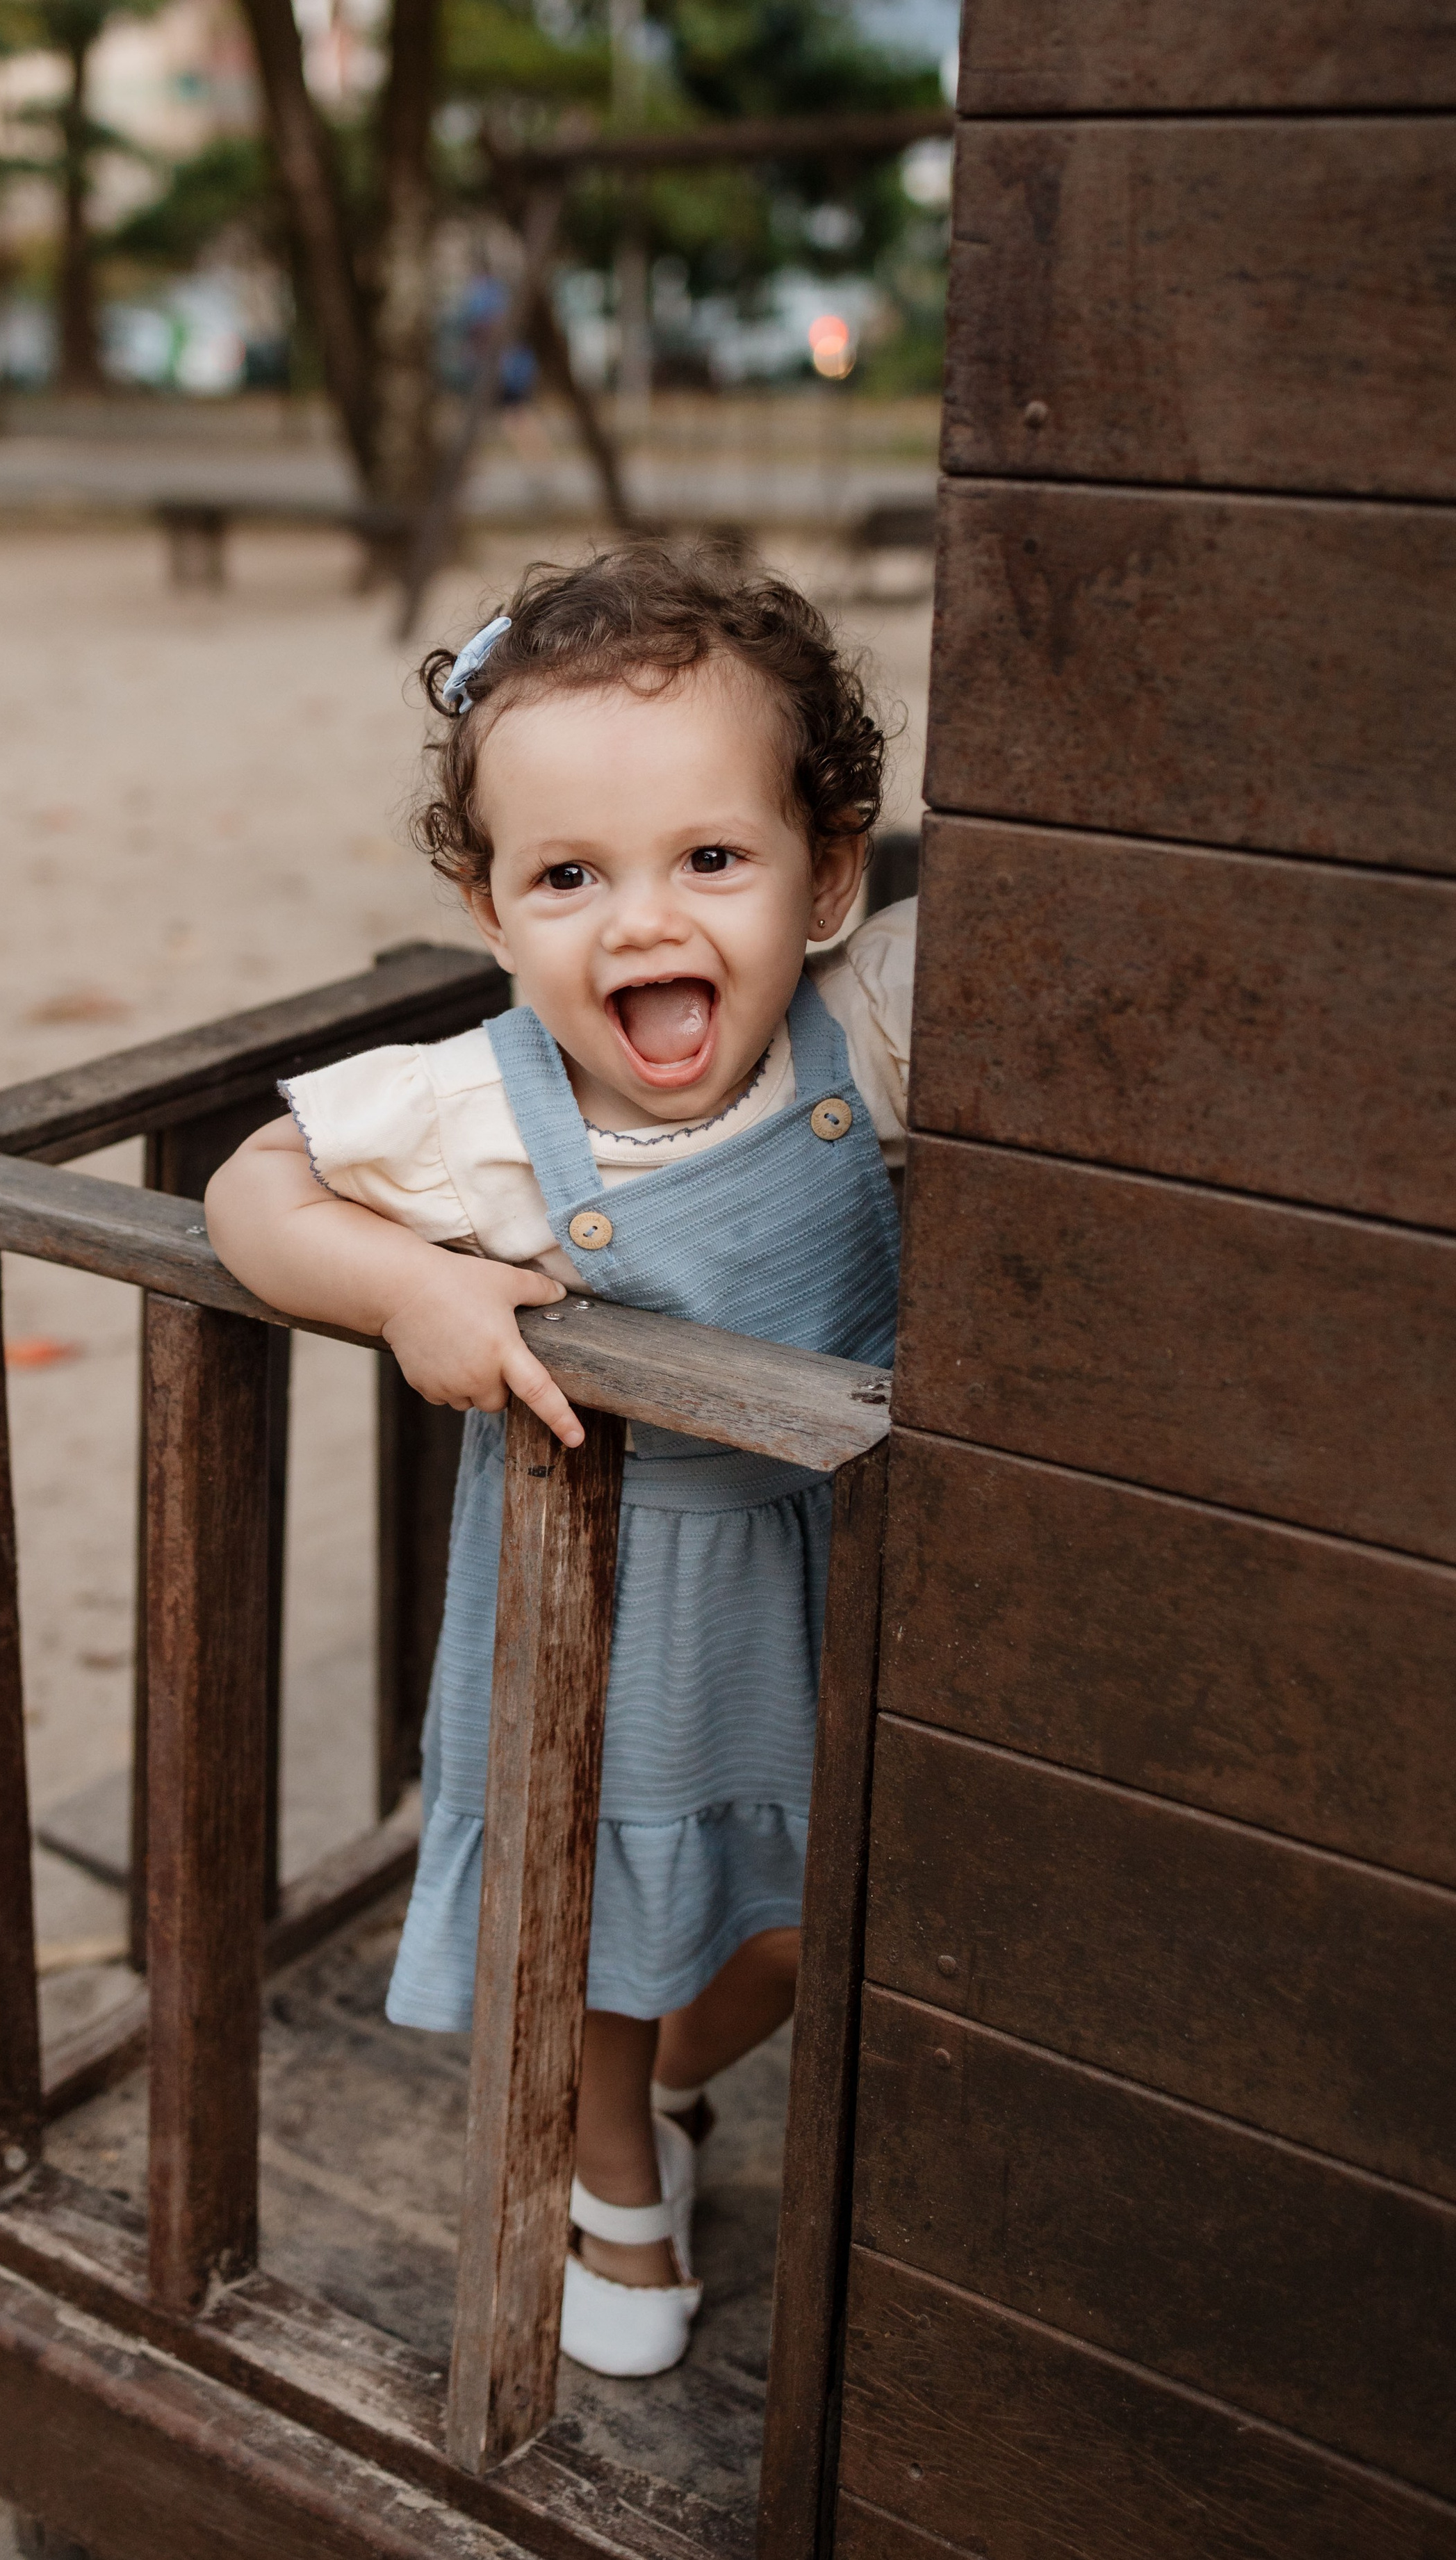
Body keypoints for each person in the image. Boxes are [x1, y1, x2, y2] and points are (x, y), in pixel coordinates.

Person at [205, 543, 914, 2379]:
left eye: (712, 858)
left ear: (830, 870)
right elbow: (248, 1190)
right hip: (622, 1591)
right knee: (604, 1914)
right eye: (571, 876)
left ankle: (683, 2079)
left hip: (836, 1573)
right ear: (493, 903)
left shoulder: (870, 1037)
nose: (643, 923)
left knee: (799, 1915)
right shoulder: (479, 1109)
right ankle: (613, 2163)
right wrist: (406, 1283)